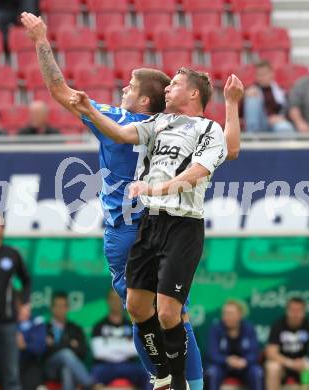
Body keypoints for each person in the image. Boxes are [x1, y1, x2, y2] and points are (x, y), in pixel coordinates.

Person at [21, 11, 243, 390]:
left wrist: (42, 40)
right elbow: (231, 149)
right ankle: (186, 382)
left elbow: (60, 91)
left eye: (128, 86)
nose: (122, 90)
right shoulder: (165, 123)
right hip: (159, 220)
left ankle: (164, 378)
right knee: (173, 313)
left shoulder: (123, 119)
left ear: (143, 98)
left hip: (131, 226)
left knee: (143, 311)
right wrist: (231, 106)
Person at [68, 65, 243, 390]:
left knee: (167, 313)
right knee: (136, 306)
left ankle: (180, 382)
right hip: (150, 223)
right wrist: (88, 109)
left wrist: (157, 189)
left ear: (193, 93)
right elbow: (119, 134)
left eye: (174, 84)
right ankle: (162, 375)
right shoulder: (159, 122)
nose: (167, 89)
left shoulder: (208, 128)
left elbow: (200, 170)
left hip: (183, 225)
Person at [0, 212, 31, 390]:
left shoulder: (12, 254)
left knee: (11, 376)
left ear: (3, 229)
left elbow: (26, 280)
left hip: (7, 322)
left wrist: (26, 303)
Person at [91, 289, 149, 389]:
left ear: (123, 301)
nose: (115, 302)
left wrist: (110, 346)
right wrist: (125, 346)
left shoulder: (132, 325)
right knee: (92, 378)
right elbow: (99, 353)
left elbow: (137, 350)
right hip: (105, 366)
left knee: (149, 375)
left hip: (129, 366)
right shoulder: (99, 326)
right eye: (112, 299)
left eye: (118, 299)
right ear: (107, 301)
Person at [205, 300, 263, 390]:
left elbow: (254, 352)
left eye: (230, 314)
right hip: (222, 366)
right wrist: (227, 360)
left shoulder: (249, 328)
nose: (226, 317)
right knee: (212, 372)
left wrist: (245, 361)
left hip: (244, 366)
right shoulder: (216, 329)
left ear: (240, 315)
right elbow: (212, 354)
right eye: (224, 313)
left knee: (257, 372)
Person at [44, 292, 93, 390]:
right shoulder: (44, 328)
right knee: (65, 354)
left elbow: (83, 351)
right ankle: (90, 384)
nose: (60, 309)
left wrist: (55, 345)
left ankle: (88, 383)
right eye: (57, 306)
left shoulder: (75, 328)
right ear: (52, 308)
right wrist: (69, 344)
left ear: (68, 308)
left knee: (67, 369)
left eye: (63, 306)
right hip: (50, 368)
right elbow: (43, 352)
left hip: (68, 367)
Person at [265, 297, 309, 390]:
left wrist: (304, 362)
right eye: (292, 310)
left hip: (302, 364)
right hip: (283, 364)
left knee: (307, 369)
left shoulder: (307, 325)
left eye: (299, 310)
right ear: (287, 311)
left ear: (304, 312)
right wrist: (290, 363)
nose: (295, 314)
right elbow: (271, 353)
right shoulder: (278, 325)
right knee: (272, 368)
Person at [243, 60, 294, 133]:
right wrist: (244, 96)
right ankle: (252, 138)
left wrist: (282, 117)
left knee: (285, 127)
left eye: (264, 74)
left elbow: (290, 108)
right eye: (258, 75)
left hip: (276, 122)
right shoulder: (251, 90)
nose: (261, 78)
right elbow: (240, 114)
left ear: (271, 74)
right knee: (252, 100)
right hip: (260, 122)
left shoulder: (280, 90)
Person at [16, 292, 47, 390]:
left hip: (30, 365)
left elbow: (41, 347)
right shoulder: (5, 324)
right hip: (8, 365)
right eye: (25, 305)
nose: (28, 308)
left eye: (28, 304)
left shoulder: (37, 322)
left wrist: (25, 345)